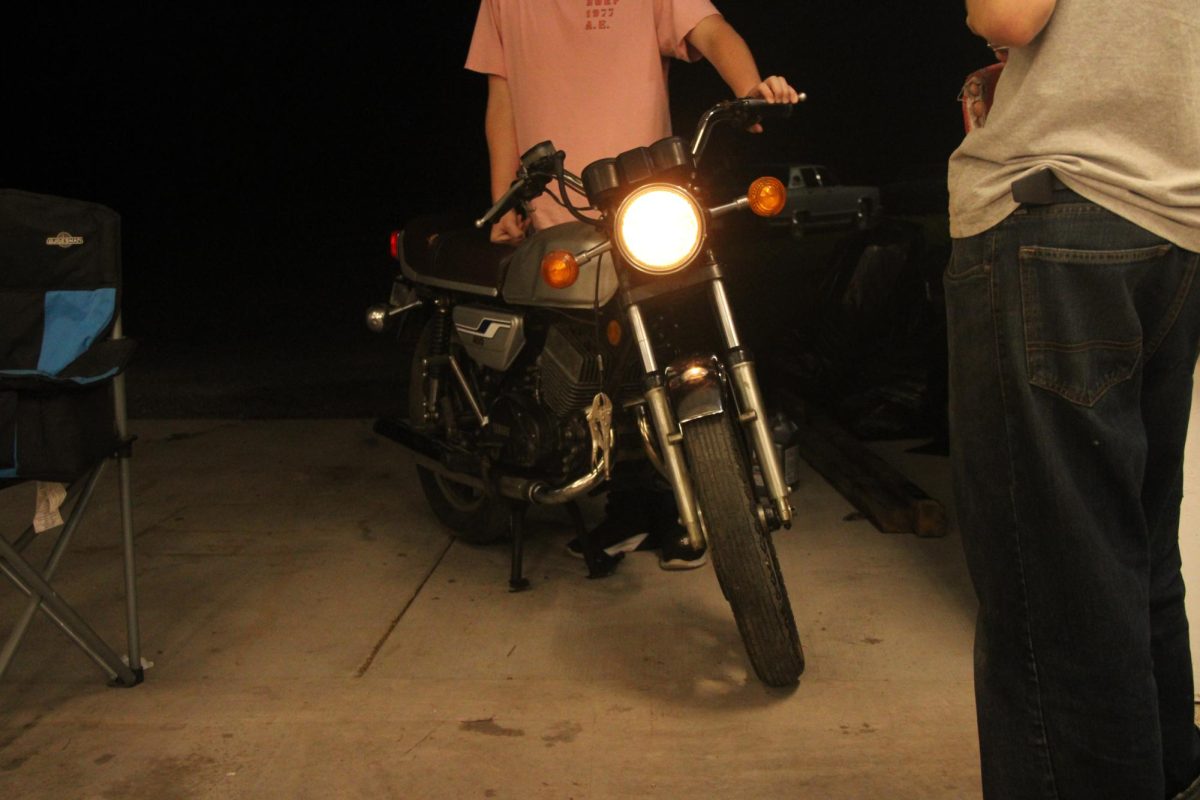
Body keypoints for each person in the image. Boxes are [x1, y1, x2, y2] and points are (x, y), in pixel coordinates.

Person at [945, 1, 1200, 797]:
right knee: (1136, 560)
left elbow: (1011, 13)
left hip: (1059, 208)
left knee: (1056, 602)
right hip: (1178, 218)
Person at [465, 0, 798, 570]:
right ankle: (620, 504)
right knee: (588, 369)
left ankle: (681, 497)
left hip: (646, 201)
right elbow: (502, 96)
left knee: (671, 350)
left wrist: (752, 89)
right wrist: (504, 197)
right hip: (558, 209)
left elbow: (711, 30)